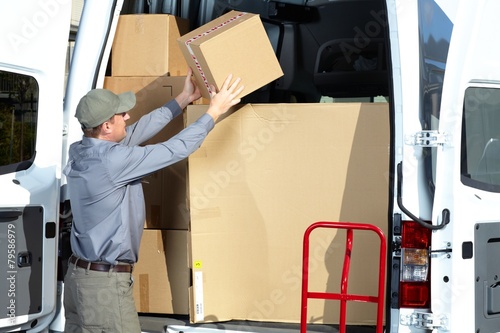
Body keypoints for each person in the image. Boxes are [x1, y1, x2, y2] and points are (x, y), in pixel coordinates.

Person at [62, 68, 244, 333]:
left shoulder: (82, 150)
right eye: (120, 114)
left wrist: (182, 99)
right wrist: (213, 113)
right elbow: (175, 149)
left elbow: (137, 130)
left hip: (79, 278)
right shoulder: (112, 161)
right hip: (104, 288)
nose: (127, 116)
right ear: (106, 127)